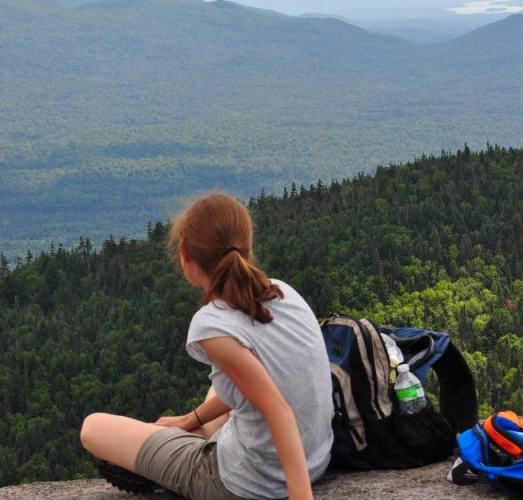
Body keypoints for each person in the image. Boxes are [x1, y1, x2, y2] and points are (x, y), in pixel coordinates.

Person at [81, 193, 334, 500]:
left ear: (186, 253)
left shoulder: (211, 324)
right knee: (221, 386)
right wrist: (192, 419)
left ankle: (184, 454)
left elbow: (278, 410)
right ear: (246, 245)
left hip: (245, 483)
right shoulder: (283, 293)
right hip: (315, 462)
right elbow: (262, 385)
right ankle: (195, 434)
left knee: (93, 428)